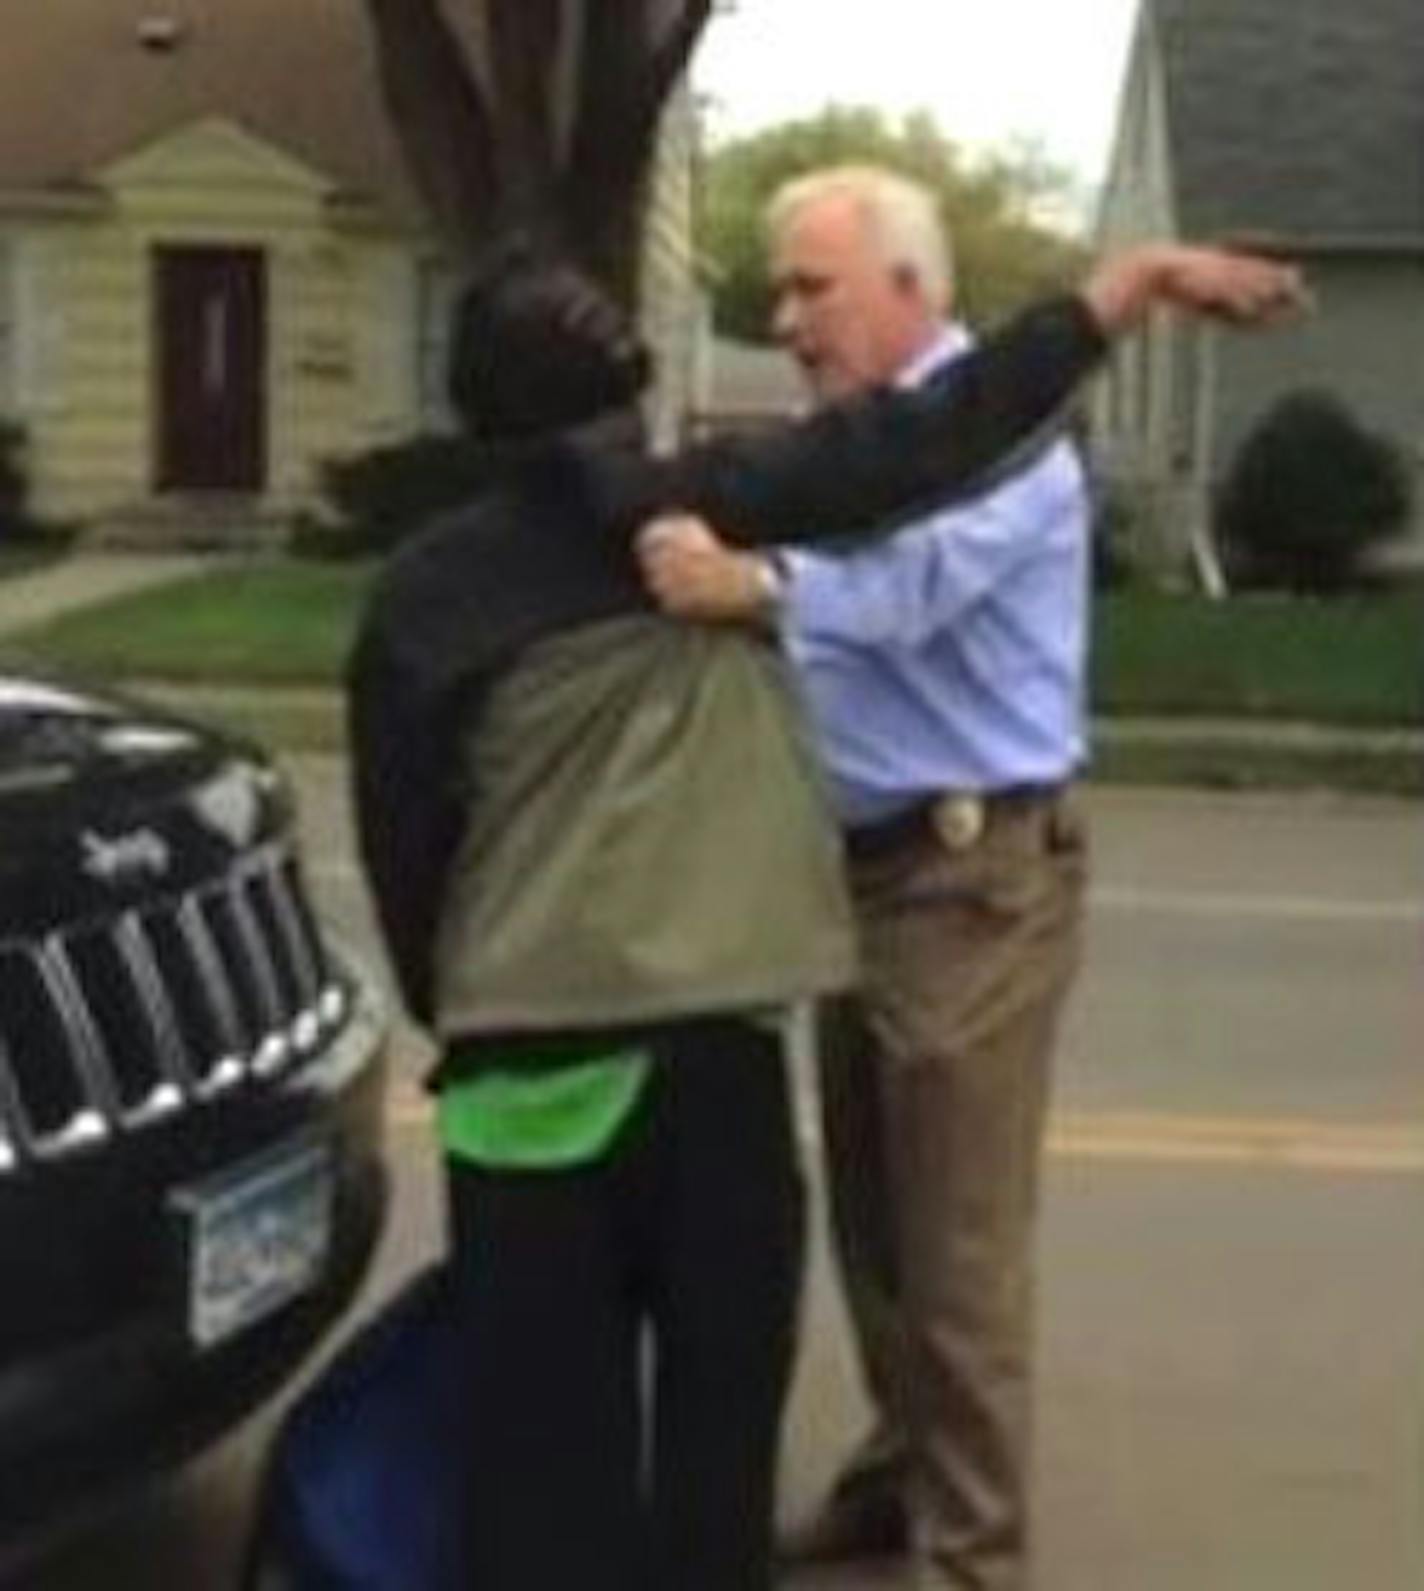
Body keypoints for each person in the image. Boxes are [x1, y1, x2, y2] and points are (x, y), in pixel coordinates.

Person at [347, 235, 1302, 1591]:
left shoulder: (423, 599)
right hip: (716, 1074)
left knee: (539, 1467)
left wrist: (469, 1009)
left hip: (527, 1084)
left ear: (473, 413)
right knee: (715, 1467)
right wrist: (1116, 292)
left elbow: (406, 844)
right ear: (626, 390)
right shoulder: (709, 511)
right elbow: (933, 441)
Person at [635, 166, 1247, 1591]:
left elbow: (909, 597)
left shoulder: (1009, 443)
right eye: (779, 289)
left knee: (959, 1263)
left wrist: (760, 587)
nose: (785, 320)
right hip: (856, 878)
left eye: (812, 288)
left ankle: (973, 1559)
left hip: (976, 885)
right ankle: (901, 1481)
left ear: (913, 292)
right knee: (876, 1230)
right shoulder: (867, 439)